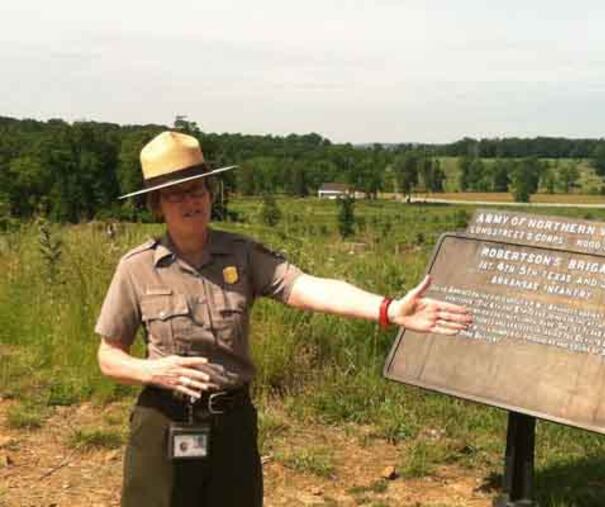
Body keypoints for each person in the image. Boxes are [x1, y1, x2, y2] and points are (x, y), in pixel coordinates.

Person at [95, 131, 472, 507]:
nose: (190, 200)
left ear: (211, 194)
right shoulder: (137, 268)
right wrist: (152, 371)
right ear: (157, 205)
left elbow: (307, 287)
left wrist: (387, 309)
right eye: (176, 194)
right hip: (165, 420)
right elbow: (108, 356)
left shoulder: (241, 254)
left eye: (198, 189)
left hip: (232, 424)